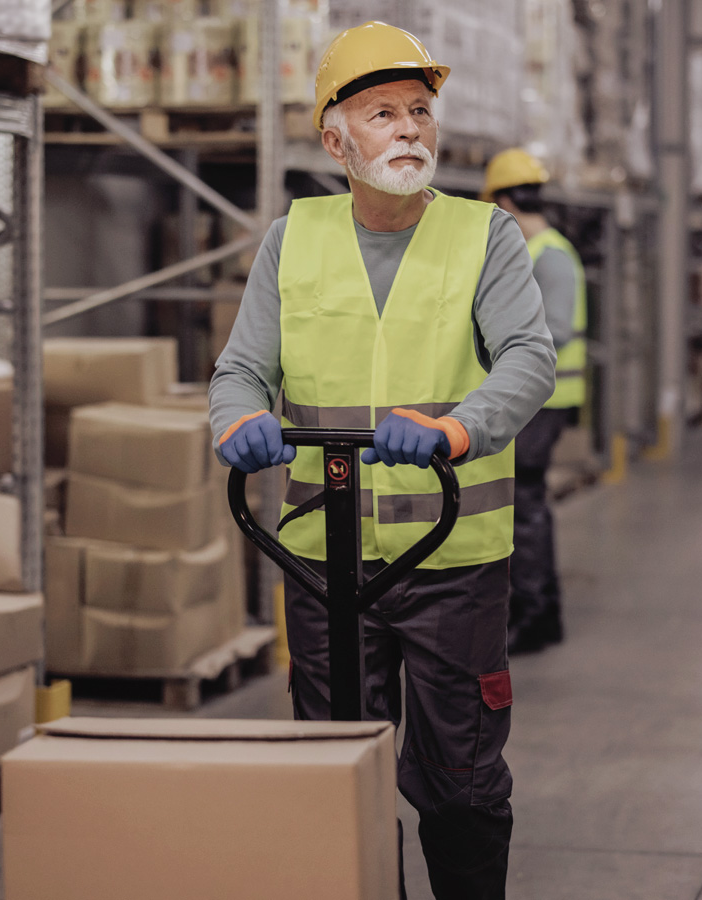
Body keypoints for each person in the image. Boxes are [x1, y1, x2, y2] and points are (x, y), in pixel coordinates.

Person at [207, 22, 556, 900]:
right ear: (335, 140)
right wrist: (239, 418)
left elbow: (528, 358)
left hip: (451, 561)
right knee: (332, 768)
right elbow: (243, 366)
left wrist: (457, 428)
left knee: (461, 782)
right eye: (381, 113)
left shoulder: (487, 237)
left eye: (419, 111)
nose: (409, 129)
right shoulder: (295, 240)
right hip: (324, 560)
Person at [481, 149, 587, 655]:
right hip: (533, 400)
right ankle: (540, 613)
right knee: (524, 503)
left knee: (524, 506)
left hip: (545, 400)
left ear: (503, 201)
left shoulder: (552, 255)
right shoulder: (533, 250)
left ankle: (536, 614)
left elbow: (558, 328)